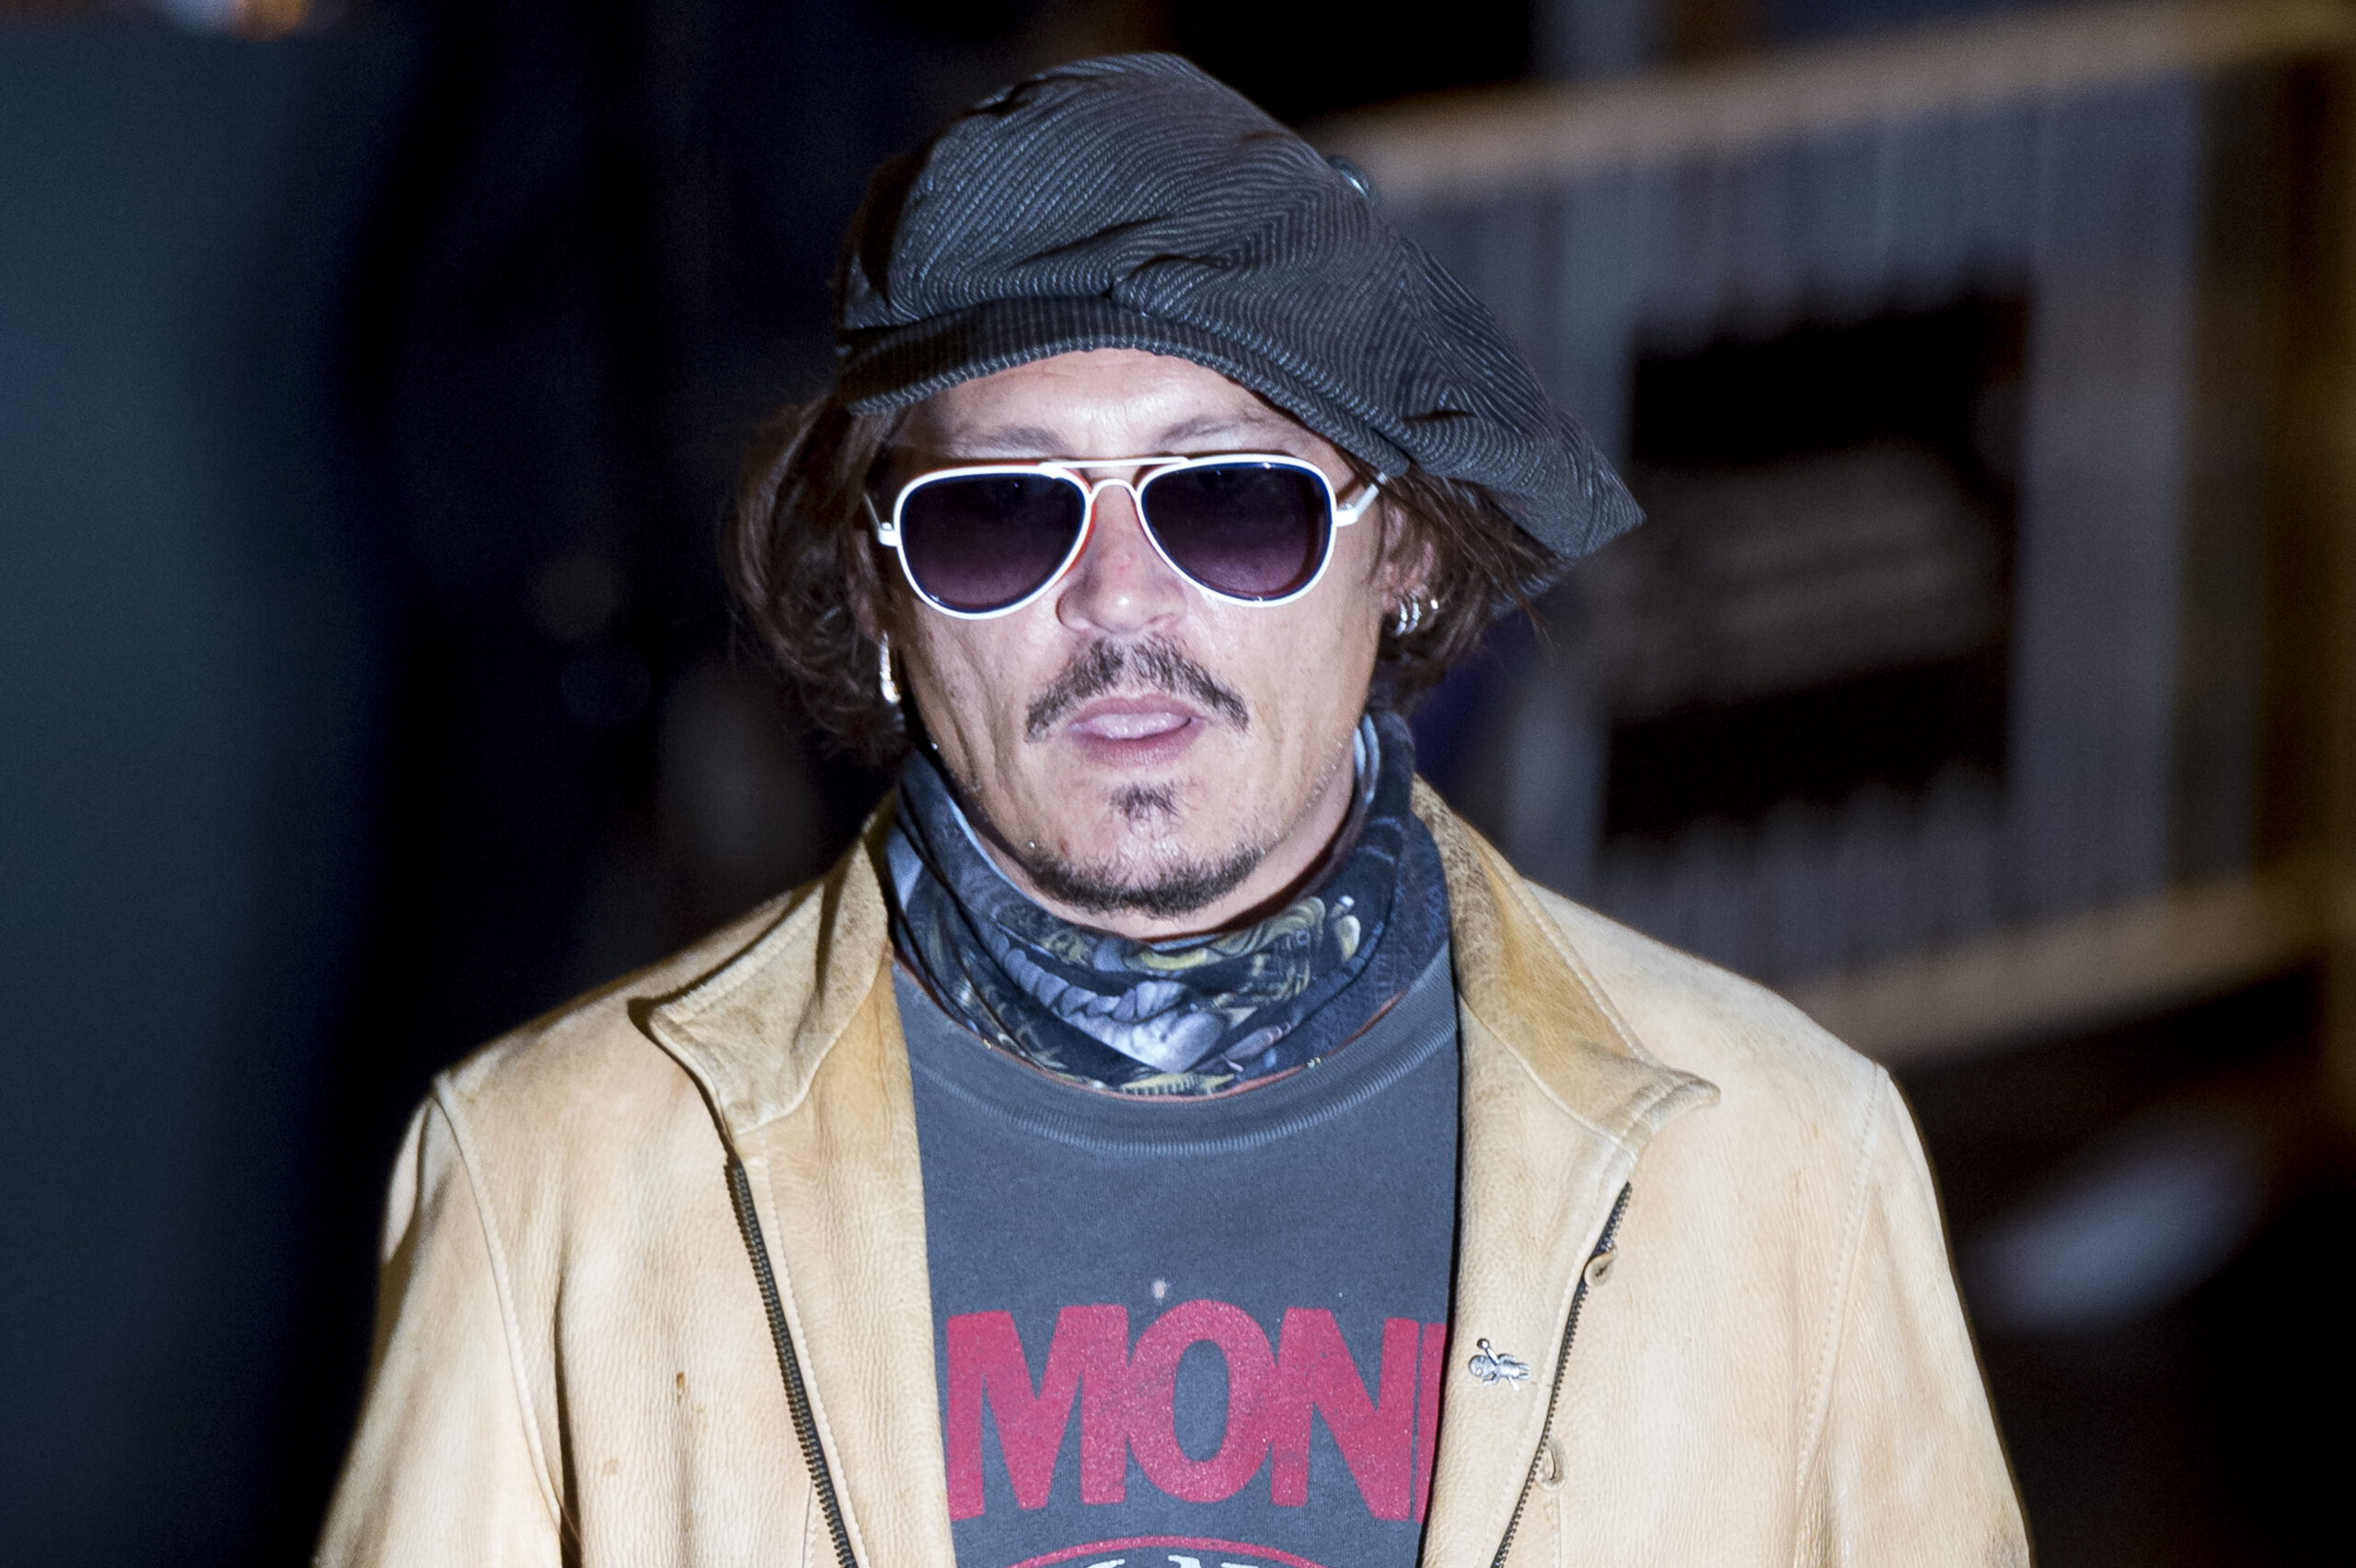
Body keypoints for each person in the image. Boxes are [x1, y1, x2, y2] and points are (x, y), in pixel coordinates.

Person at [318, 54, 2026, 1568]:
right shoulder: (553, 1181)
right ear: (882, 602)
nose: (1118, 602)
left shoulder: (1791, 1161)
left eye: (1235, 503)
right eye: (1001, 518)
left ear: (1404, 555)